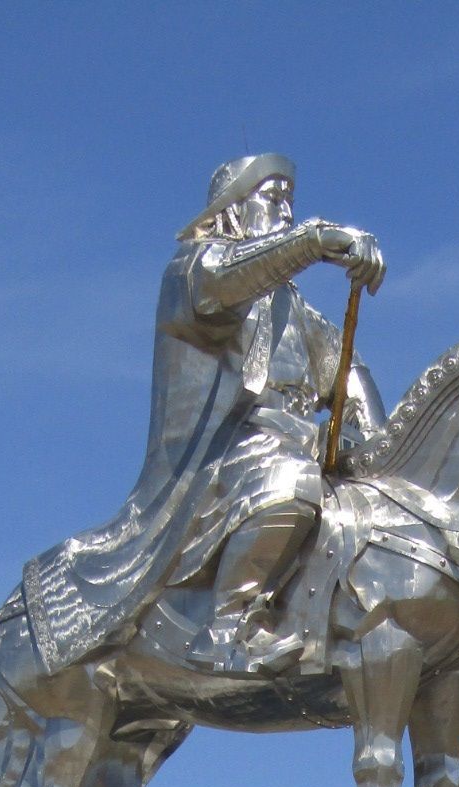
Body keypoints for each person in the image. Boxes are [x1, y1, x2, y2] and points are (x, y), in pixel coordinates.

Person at [19, 154, 386, 680]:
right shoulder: (194, 271)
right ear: (232, 209)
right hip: (227, 452)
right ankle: (230, 628)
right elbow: (231, 282)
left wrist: (372, 438)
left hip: (298, 438)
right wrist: (313, 241)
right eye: (272, 197)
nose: (285, 210)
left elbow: (345, 373)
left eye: (290, 200)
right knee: (288, 480)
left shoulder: (297, 310)